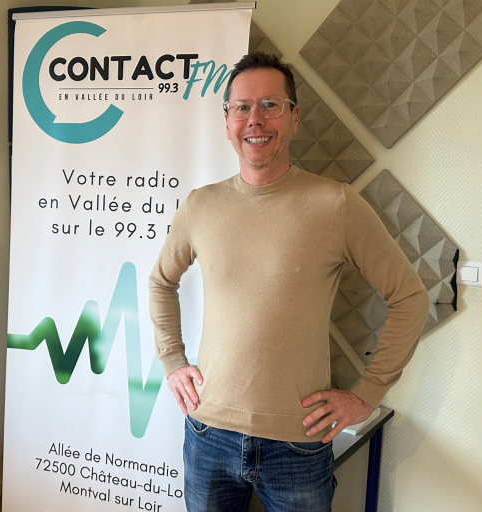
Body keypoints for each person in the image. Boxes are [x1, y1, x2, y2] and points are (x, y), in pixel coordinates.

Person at [148, 52, 429, 512]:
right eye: (241, 107)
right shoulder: (200, 205)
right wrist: (173, 360)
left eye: (270, 105)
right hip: (207, 432)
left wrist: (366, 395)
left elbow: (410, 298)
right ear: (227, 122)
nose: (254, 119)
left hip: (297, 444)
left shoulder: (336, 204)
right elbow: (161, 281)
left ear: (294, 117)